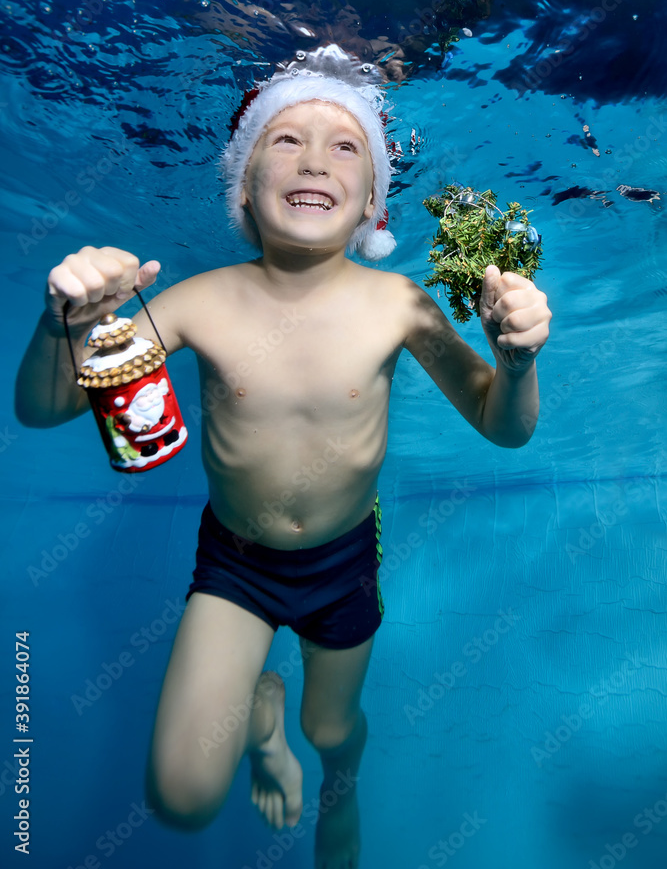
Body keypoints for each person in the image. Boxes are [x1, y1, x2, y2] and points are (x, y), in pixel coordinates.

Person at [14, 45, 551, 869]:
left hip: (342, 561)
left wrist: (514, 365)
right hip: (236, 564)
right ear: (243, 185)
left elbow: (502, 426)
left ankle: (341, 782)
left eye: (345, 146)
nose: (313, 158)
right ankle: (262, 723)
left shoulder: (399, 304)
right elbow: (44, 409)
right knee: (181, 799)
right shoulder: (198, 300)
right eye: (284, 139)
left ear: (373, 200)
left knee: (331, 728)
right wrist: (68, 324)